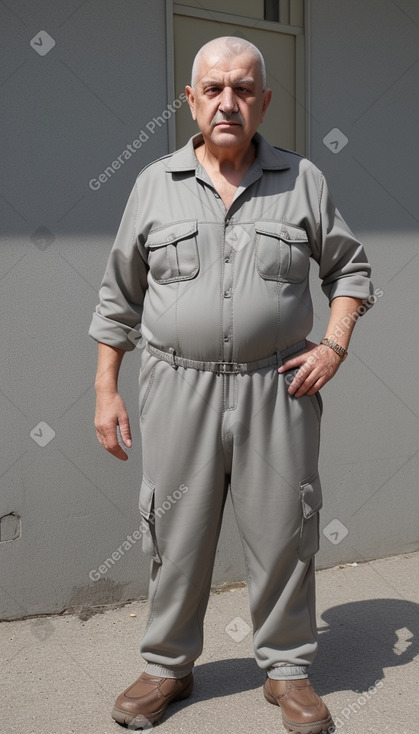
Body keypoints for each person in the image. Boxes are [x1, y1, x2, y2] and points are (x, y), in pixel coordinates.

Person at [89, 36, 373, 734]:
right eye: (213, 88)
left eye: (243, 89)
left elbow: (349, 272)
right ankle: (167, 666)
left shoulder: (302, 180)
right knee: (173, 532)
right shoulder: (154, 184)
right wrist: (106, 389)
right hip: (176, 387)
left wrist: (333, 345)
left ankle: (286, 670)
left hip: (274, 389)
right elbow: (117, 298)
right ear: (190, 100)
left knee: (284, 531)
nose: (227, 102)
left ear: (263, 101)